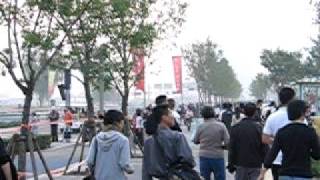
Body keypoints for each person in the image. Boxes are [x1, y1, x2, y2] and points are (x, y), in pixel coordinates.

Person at [259, 100, 320, 180]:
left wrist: (263, 172)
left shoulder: (282, 132)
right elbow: (317, 155)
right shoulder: (310, 132)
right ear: (303, 113)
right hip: (304, 174)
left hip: (285, 174)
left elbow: (272, 153)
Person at [143, 105, 195, 180]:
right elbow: (189, 160)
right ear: (164, 117)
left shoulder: (148, 142)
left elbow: (146, 169)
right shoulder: (178, 137)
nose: (173, 117)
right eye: (171, 114)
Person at [262, 87, 301, 180]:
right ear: (292, 99)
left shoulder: (272, 117)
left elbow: (265, 139)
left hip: (277, 160)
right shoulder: (299, 117)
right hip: (296, 159)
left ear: (280, 99)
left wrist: (278, 143)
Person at [86, 110, 134, 180]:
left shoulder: (96, 139)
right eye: (122, 123)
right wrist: (131, 169)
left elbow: (90, 161)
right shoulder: (123, 140)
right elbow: (125, 164)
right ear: (118, 123)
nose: (123, 125)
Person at [228, 103, 268, 180]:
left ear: (243, 111)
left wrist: (231, 164)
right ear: (255, 112)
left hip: (240, 164)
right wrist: (266, 163)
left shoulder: (235, 128)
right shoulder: (259, 128)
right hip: (255, 164)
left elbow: (232, 148)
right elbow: (264, 147)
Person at [193, 106, 230, 180]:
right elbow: (227, 142)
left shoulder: (200, 126)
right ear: (214, 113)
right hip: (218, 156)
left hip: (204, 157)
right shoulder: (221, 126)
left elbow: (195, 141)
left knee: (204, 178)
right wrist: (222, 146)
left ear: (203, 115)